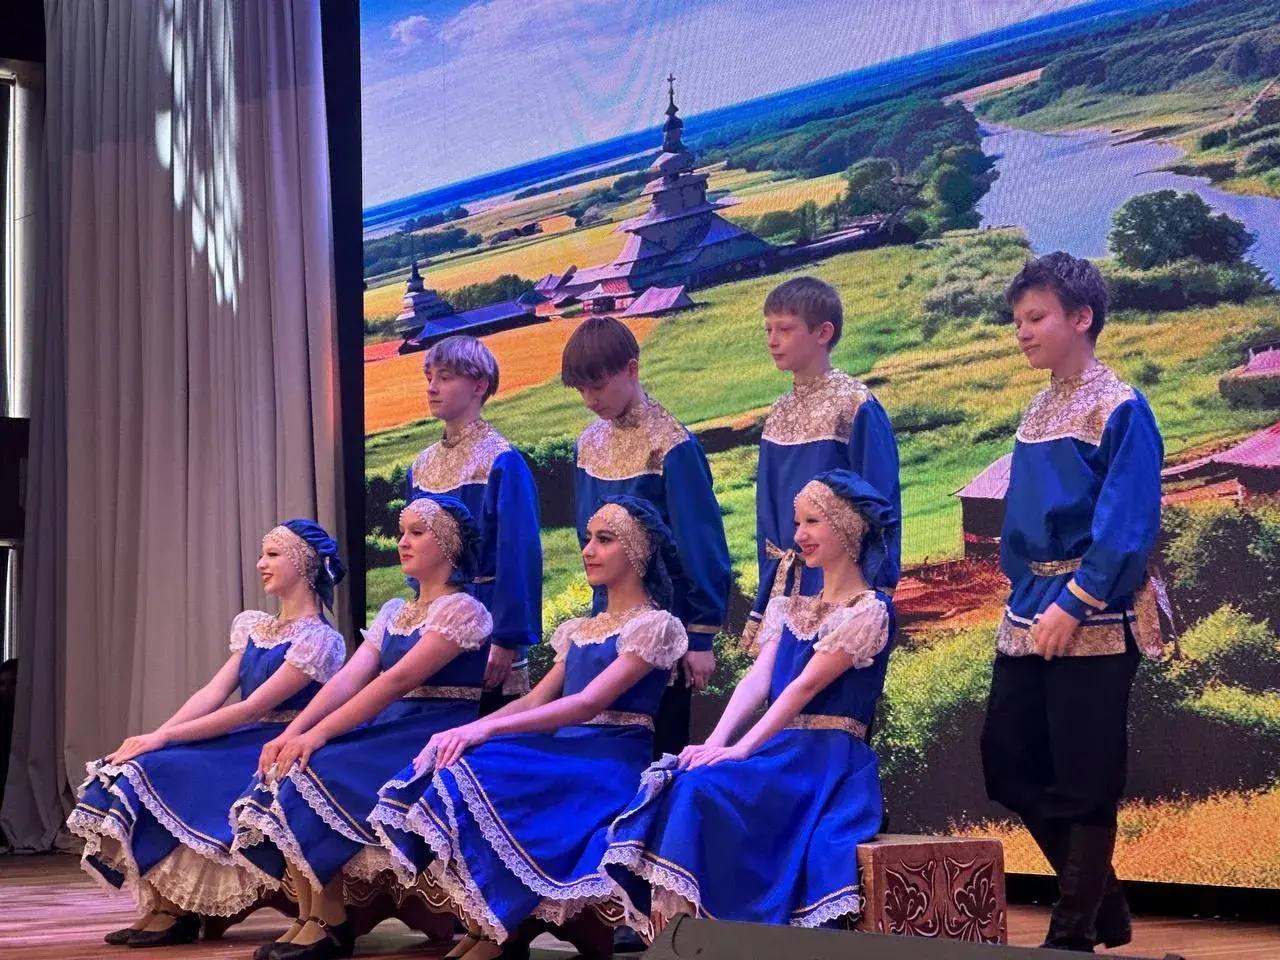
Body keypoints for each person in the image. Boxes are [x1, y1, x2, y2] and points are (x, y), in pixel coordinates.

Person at [370, 496, 689, 960]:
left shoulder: (655, 626)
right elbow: (535, 699)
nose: (588, 550)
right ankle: (489, 925)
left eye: (604, 540)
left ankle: (498, 931)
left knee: (486, 769)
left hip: (605, 760)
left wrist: (482, 732)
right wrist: (466, 731)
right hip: (566, 750)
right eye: (587, 539)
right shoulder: (581, 628)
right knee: (457, 765)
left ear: (638, 551)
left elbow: (586, 703)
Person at [605, 470, 897, 935]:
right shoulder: (791, 607)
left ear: (849, 525)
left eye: (813, 522)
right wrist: (716, 742)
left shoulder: (868, 610)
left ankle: (728, 929)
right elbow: (757, 682)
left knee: (701, 790)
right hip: (782, 751)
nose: (799, 536)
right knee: (685, 780)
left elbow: (803, 687)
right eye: (797, 523)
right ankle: (689, 933)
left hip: (825, 764)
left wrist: (742, 749)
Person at [980, 252, 1163, 952]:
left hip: (1095, 611)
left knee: (1086, 776)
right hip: (1029, 605)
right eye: (1017, 321)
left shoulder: (1122, 407)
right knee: (1009, 763)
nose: (1021, 332)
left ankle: (1070, 934)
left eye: (1035, 318)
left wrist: (1077, 601)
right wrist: (1028, 593)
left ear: (1081, 318)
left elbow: (1128, 523)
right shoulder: (1038, 407)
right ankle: (1105, 907)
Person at [231, 496, 493, 960]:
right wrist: (297, 732)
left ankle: (330, 921)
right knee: (290, 763)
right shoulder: (394, 611)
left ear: (449, 543)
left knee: (317, 768)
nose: (403, 542)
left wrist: (319, 734)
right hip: (388, 726)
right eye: (402, 532)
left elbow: (397, 680)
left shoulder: (462, 610)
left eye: (417, 532)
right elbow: (349, 679)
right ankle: (311, 914)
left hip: (429, 731)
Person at [65, 521, 347, 948]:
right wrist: (157, 736)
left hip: (273, 739)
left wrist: (164, 739)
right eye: (262, 554)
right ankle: (167, 907)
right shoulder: (255, 627)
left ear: (305, 563)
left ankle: (178, 912)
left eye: (273, 555)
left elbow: (253, 707)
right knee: (142, 764)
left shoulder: (319, 639)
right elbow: (213, 693)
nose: (261, 564)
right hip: (244, 735)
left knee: (164, 765)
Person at [560, 316, 730, 759]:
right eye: (581, 390)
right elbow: (587, 537)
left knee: (658, 748)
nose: (590, 400)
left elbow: (700, 542)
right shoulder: (587, 444)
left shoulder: (671, 444)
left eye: (598, 386)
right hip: (606, 619)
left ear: (631, 369)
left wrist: (700, 636)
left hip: (664, 623)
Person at [745, 276, 900, 651]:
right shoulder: (779, 413)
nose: (772, 340)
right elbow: (767, 513)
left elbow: (880, 503)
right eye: (768, 329)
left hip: (838, 583)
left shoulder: (856, 405)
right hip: (784, 584)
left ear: (823, 332)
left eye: (785, 329)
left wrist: (876, 588)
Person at [407, 335, 542, 713]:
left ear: (479, 385)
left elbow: (518, 555)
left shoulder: (502, 460)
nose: (432, 387)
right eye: (429, 377)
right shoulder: (421, 465)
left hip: (487, 622)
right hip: (430, 624)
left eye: (445, 377)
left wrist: (506, 638)